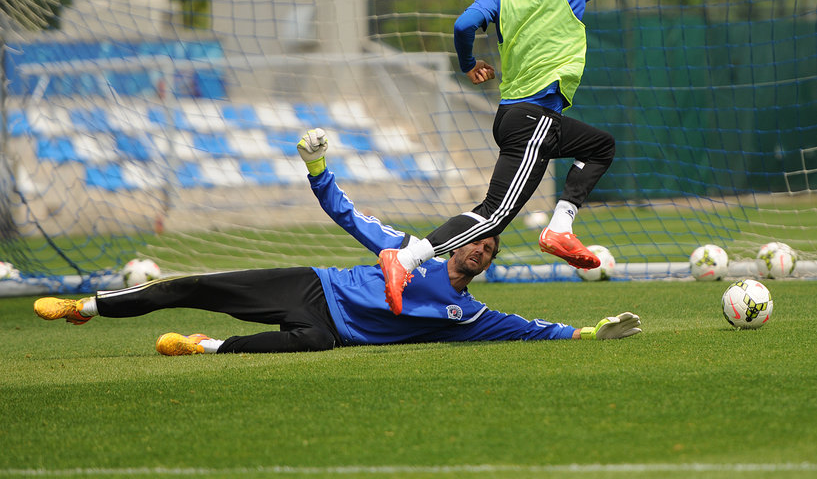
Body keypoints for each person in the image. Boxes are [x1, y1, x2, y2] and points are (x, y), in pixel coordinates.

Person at [33, 129, 641, 355]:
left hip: (328, 329)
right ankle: (85, 307)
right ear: (459, 243)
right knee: (194, 286)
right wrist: (317, 167)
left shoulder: (466, 315)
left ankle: (204, 346)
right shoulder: (409, 249)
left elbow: (526, 329)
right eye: (478, 241)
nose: (481, 248)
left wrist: (589, 333)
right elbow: (347, 215)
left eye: (489, 250)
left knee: (315, 343)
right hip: (312, 287)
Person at [378, 0, 642, 315]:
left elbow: (463, 26)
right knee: (493, 215)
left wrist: (469, 64)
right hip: (534, 119)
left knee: (600, 146)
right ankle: (405, 259)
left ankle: (560, 228)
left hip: (519, 117)